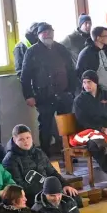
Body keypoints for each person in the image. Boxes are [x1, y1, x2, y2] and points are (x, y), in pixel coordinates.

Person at [20, 22, 75, 154]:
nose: (47, 34)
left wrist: (71, 91)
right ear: (38, 35)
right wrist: (28, 95)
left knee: (66, 126)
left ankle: (68, 153)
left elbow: (71, 71)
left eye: (50, 32)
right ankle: (45, 154)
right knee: (45, 125)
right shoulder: (32, 51)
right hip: (43, 95)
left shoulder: (61, 49)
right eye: (44, 32)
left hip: (64, 94)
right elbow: (25, 75)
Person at [2, 124, 52, 200]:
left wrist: (65, 185)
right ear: (15, 140)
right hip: (29, 197)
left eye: (28, 138)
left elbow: (52, 172)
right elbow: (18, 187)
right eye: (21, 139)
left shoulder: (39, 152)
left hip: (48, 191)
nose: (26, 141)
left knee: (73, 196)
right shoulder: (10, 159)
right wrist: (45, 188)